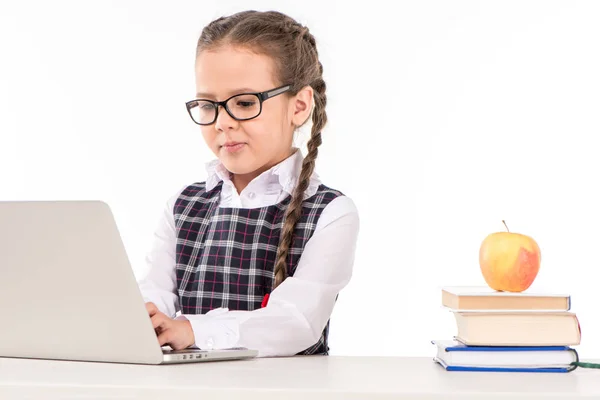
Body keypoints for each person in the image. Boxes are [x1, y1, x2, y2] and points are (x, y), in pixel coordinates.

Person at [138, 9, 360, 358]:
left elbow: (294, 323)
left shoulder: (330, 213)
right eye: (208, 105)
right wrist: (146, 319)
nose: (222, 122)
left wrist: (191, 330)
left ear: (299, 106)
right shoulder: (183, 206)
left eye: (243, 103)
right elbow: (155, 294)